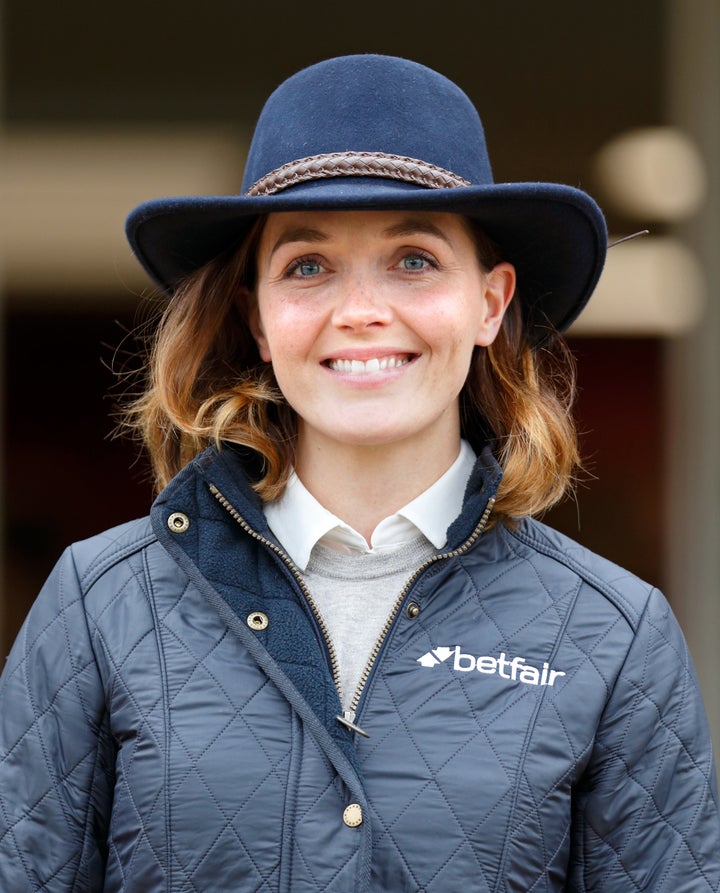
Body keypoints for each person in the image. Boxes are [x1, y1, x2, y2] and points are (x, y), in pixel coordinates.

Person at [1, 54, 718, 893]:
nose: (361, 310)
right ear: (257, 318)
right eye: (307, 266)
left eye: (413, 259)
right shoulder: (100, 602)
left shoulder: (614, 636)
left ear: (489, 303)